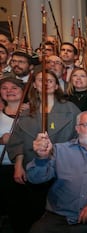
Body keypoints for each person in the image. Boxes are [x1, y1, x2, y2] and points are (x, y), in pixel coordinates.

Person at [6, 70, 80, 233]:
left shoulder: (70, 108)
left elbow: (80, 135)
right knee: (34, 213)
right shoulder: (26, 112)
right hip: (33, 169)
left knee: (57, 216)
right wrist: (18, 165)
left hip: (62, 169)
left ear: (56, 85)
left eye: (50, 81)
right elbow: (17, 141)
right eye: (41, 80)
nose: (46, 83)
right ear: (34, 85)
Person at [0, 78, 29, 233]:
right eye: (4, 88)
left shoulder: (32, 114)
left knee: (24, 211)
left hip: (26, 167)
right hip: (4, 168)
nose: (9, 90)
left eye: (14, 87)